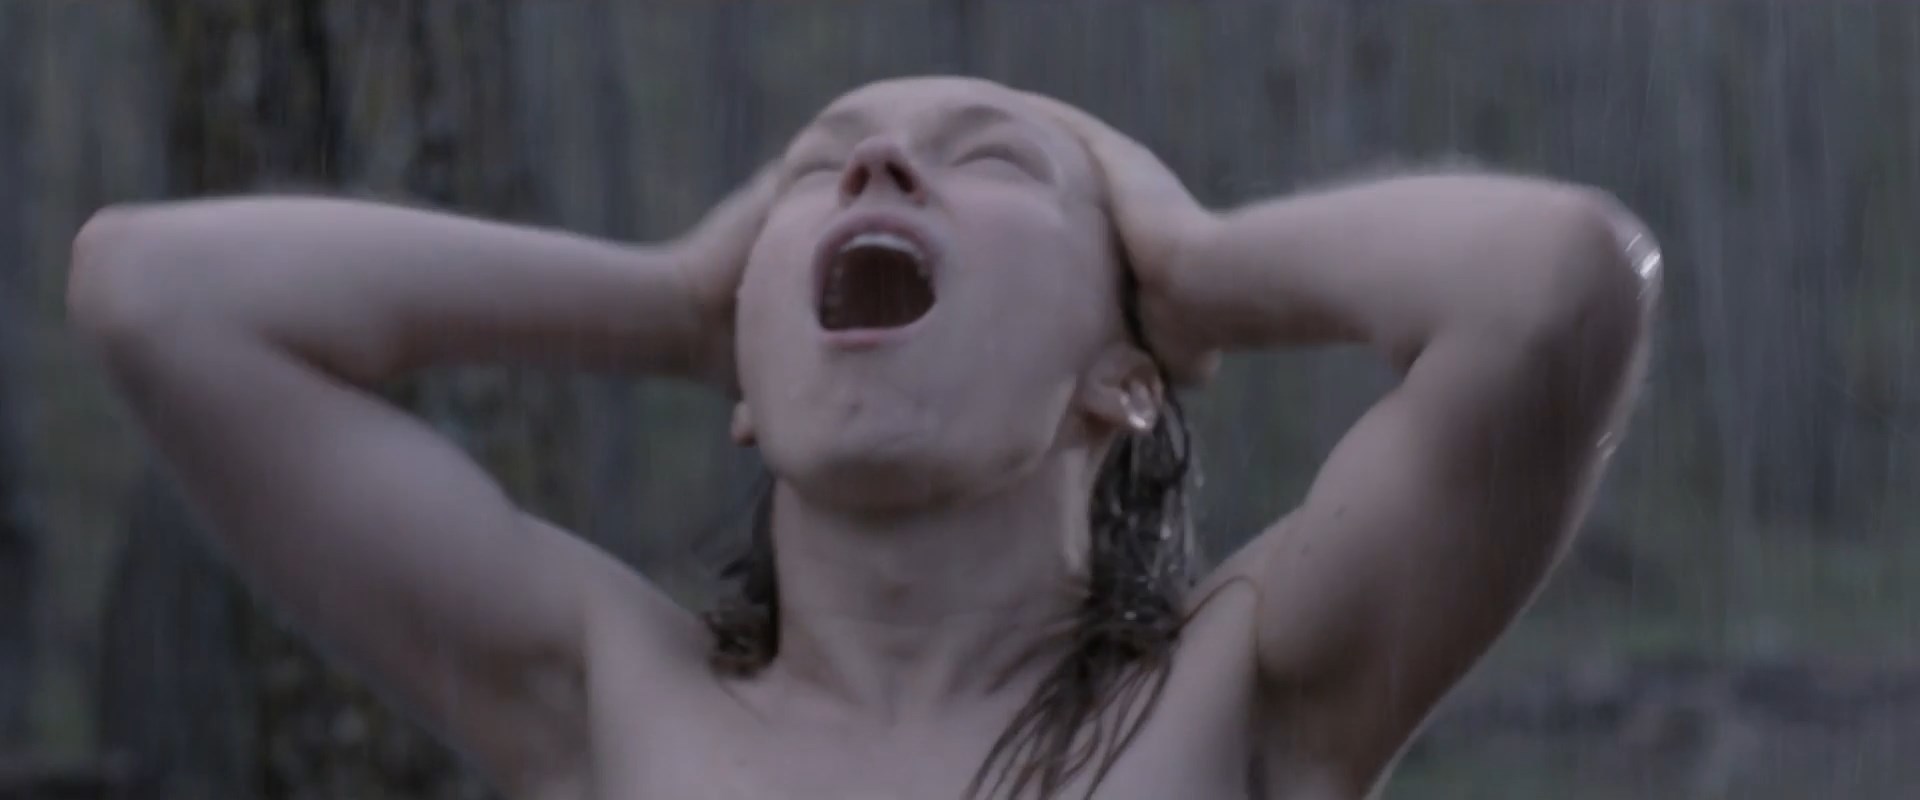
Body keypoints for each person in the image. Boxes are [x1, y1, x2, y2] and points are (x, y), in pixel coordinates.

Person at [66, 76, 1659, 799]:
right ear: (743, 383)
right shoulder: (606, 693)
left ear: (1125, 379)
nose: (879, 171)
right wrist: (672, 299)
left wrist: (1191, 265)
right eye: (820, 168)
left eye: (988, 163)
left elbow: (1551, 287)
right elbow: (158, 296)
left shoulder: (1252, 693)